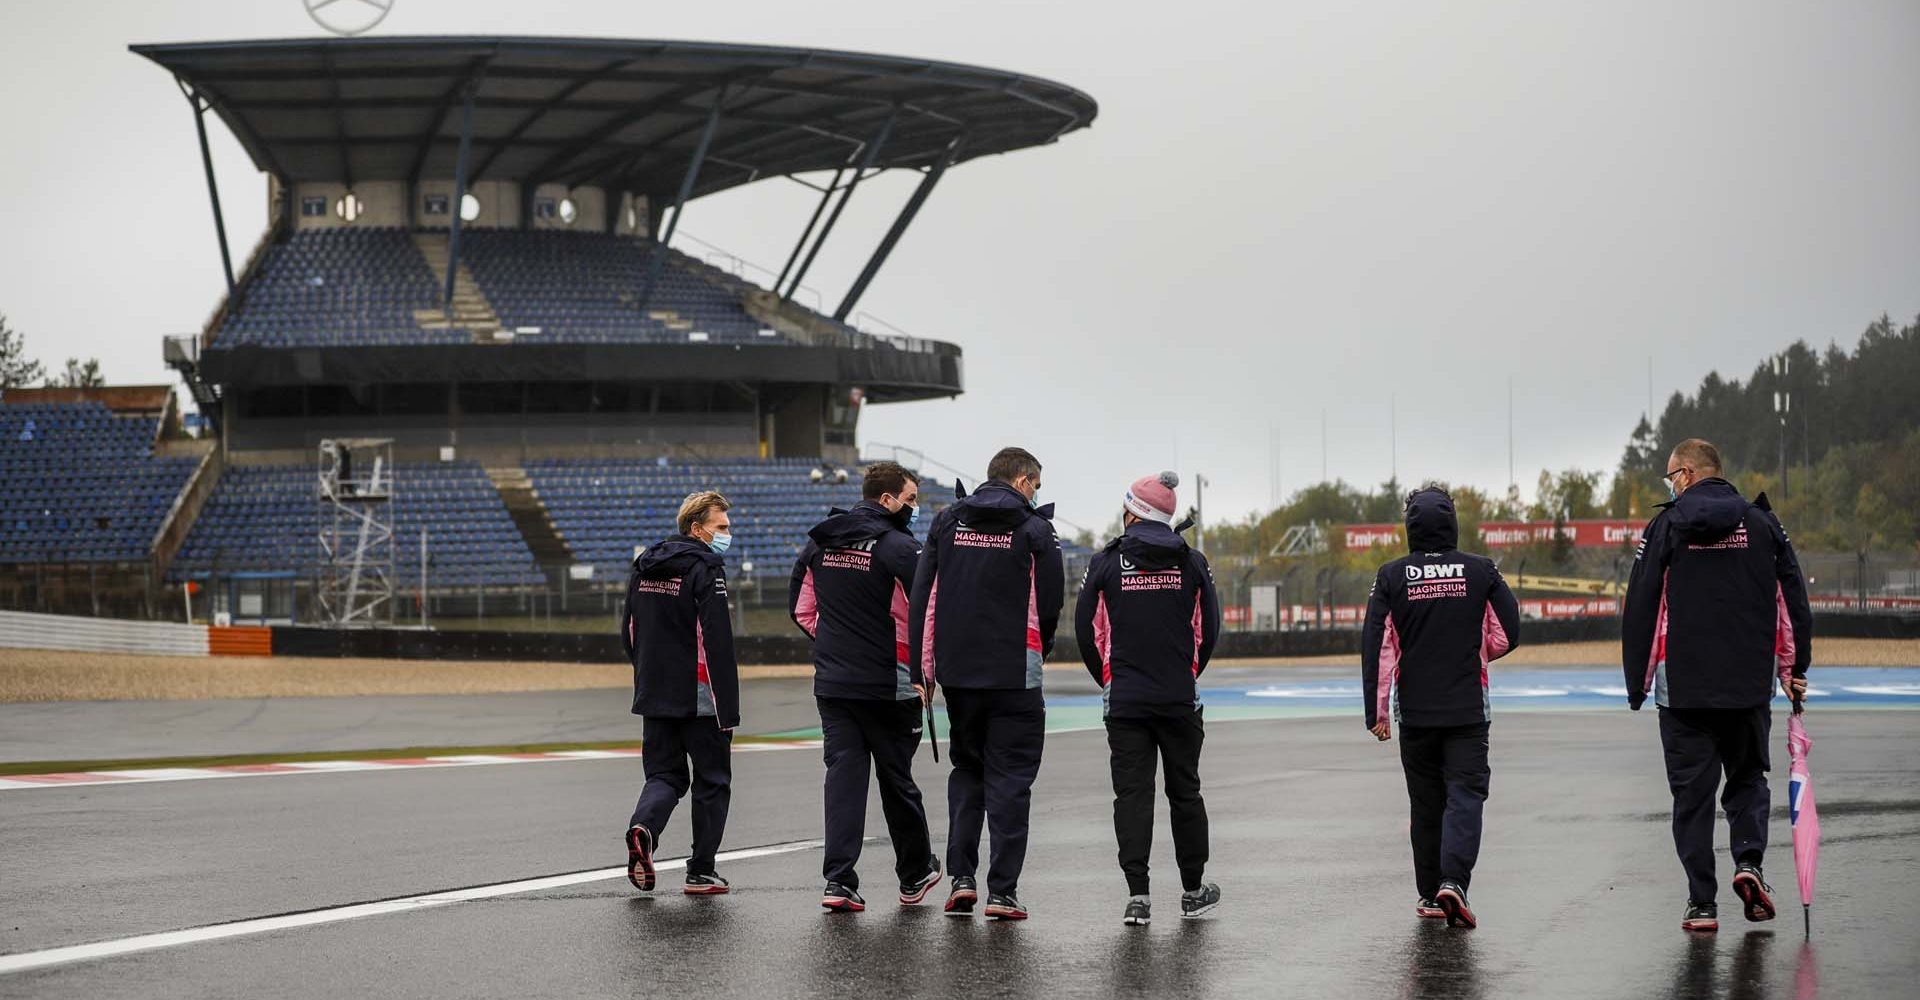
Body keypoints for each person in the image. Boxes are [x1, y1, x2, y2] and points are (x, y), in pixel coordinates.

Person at [1622, 438, 1812, 933]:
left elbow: (1641, 604)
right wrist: (1795, 669)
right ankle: (1748, 864)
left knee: (1692, 796)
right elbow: (1792, 600)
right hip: (1747, 687)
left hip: (1683, 690)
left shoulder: (1666, 526)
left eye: (1670, 476)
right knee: (1747, 780)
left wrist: (1636, 684)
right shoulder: (1765, 524)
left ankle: (1701, 903)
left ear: (1685, 474)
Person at [909, 446, 1064, 921]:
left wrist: (925, 670)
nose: (1037, 494)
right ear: (1022, 481)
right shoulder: (1036, 530)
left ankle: (961, 879)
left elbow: (924, 597)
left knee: (967, 770)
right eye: (1035, 485)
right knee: (1012, 780)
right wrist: (1041, 651)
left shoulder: (947, 522)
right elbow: (1053, 603)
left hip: (959, 673)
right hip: (1015, 675)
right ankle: (1002, 891)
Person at [1360, 486, 1521, 929]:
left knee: (1426, 804)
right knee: (1465, 797)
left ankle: (1430, 894)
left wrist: (1376, 712)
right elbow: (1508, 631)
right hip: (1468, 709)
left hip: (1416, 714)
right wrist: (1477, 652)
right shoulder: (1481, 569)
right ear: (1453, 522)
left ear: (1410, 525)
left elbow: (1378, 646)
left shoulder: (1391, 576)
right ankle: (1455, 882)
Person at [789, 461, 943, 913]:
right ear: (887, 499)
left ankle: (838, 882)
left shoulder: (820, 541)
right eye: (911, 499)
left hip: (834, 684)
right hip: (889, 685)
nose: (914, 508)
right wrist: (923, 671)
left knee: (844, 780)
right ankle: (914, 874)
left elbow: (801, 609)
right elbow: (930, 615)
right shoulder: (900, 547)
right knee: (897, 781)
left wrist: (837, 647)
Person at [1073, 471, 1223, 926]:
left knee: (1132, 797)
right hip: (1178, 696)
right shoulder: (1192, 560)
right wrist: (1189, 672)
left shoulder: (1105, 561)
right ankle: (1193, 889)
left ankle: (1138, 897)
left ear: (1132, 512)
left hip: (1126, 701)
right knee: (1186, 792)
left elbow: (1083, 628)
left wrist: (1107, 677)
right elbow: (1211, 626)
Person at [620, 490, 741, 896]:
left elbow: (629, 632)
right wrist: (727, 707)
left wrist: (647, 677)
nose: (727, 533)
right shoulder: (707, 567)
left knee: (664, 775)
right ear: (696, 528)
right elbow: (717, 640)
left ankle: (644, 828)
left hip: (654, 692)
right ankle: (701, 870)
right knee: (712, 780)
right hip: (702, 697)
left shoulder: (643, 567)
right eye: (721, 526)